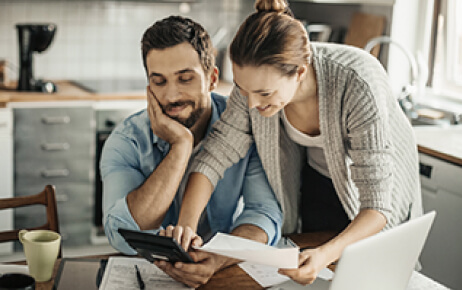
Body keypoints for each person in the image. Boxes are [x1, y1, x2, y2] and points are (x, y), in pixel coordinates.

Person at [174, 0, 423, 285]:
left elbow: (377, 207)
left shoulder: (357, 83)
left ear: (301, 73)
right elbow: (215, 155)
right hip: (317, 181)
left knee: (371, 275)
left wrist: (323, 254)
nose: (252, 104)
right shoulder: (253, 89)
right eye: (243, 90)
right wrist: (186, 227)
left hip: (373, 195)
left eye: (264, 94)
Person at [100, 15, 282, 288]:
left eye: (185, 79)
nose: (172, 96)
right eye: (159, 82)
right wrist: (180, 146)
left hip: (224, 269)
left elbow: (263, 215)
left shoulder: (244, 128)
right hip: (153, 276)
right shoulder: (127, 141)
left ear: (212, 79)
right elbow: (121, 234)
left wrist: (219, 258)